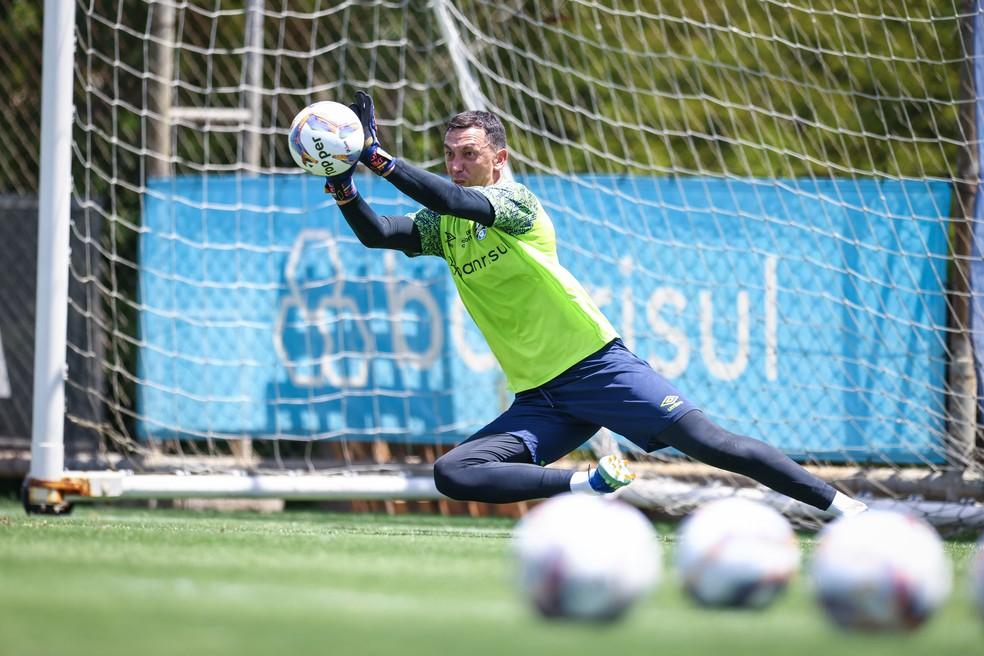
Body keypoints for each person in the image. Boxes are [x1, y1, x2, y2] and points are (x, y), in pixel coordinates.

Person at [324, 91, 867, 517]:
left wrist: (376, 156)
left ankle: (847, 508)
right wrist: (344, 185)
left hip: (597, 368)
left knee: (712, 443)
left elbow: (452, 198)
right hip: (542, 399)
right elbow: (379, 234)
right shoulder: (445, 228)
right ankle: (587, 484)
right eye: (450, 155)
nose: (457, 165)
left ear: (499, 159)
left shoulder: (514, 202)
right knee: (455, 471)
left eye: (470, 155)